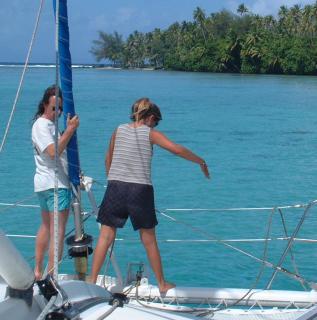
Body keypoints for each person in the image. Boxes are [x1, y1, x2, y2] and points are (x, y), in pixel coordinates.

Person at [90, 97, 210, 293]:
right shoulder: (150, 134)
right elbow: (176, 150)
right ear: (151, 117)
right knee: (149, 239)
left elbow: (107, 159)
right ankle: (162, 284)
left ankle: (92, 281)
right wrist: (201, 161)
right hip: (140, 190)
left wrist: (114, 181)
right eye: (156, 121)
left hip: (115, 187)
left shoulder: (118, 130)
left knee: (105, 236)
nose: (156, 125)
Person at [32, 85, 79, 280]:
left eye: (59, 108)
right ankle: (50, 276)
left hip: (46, 183)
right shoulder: (42, 125)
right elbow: (53, 152)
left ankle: (38, 271)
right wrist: (70, 130)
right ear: (44, 105)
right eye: (53, 108)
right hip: (54, 184)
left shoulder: (50, 126)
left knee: (47, 226)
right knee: (57, 232)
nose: (57, 112)